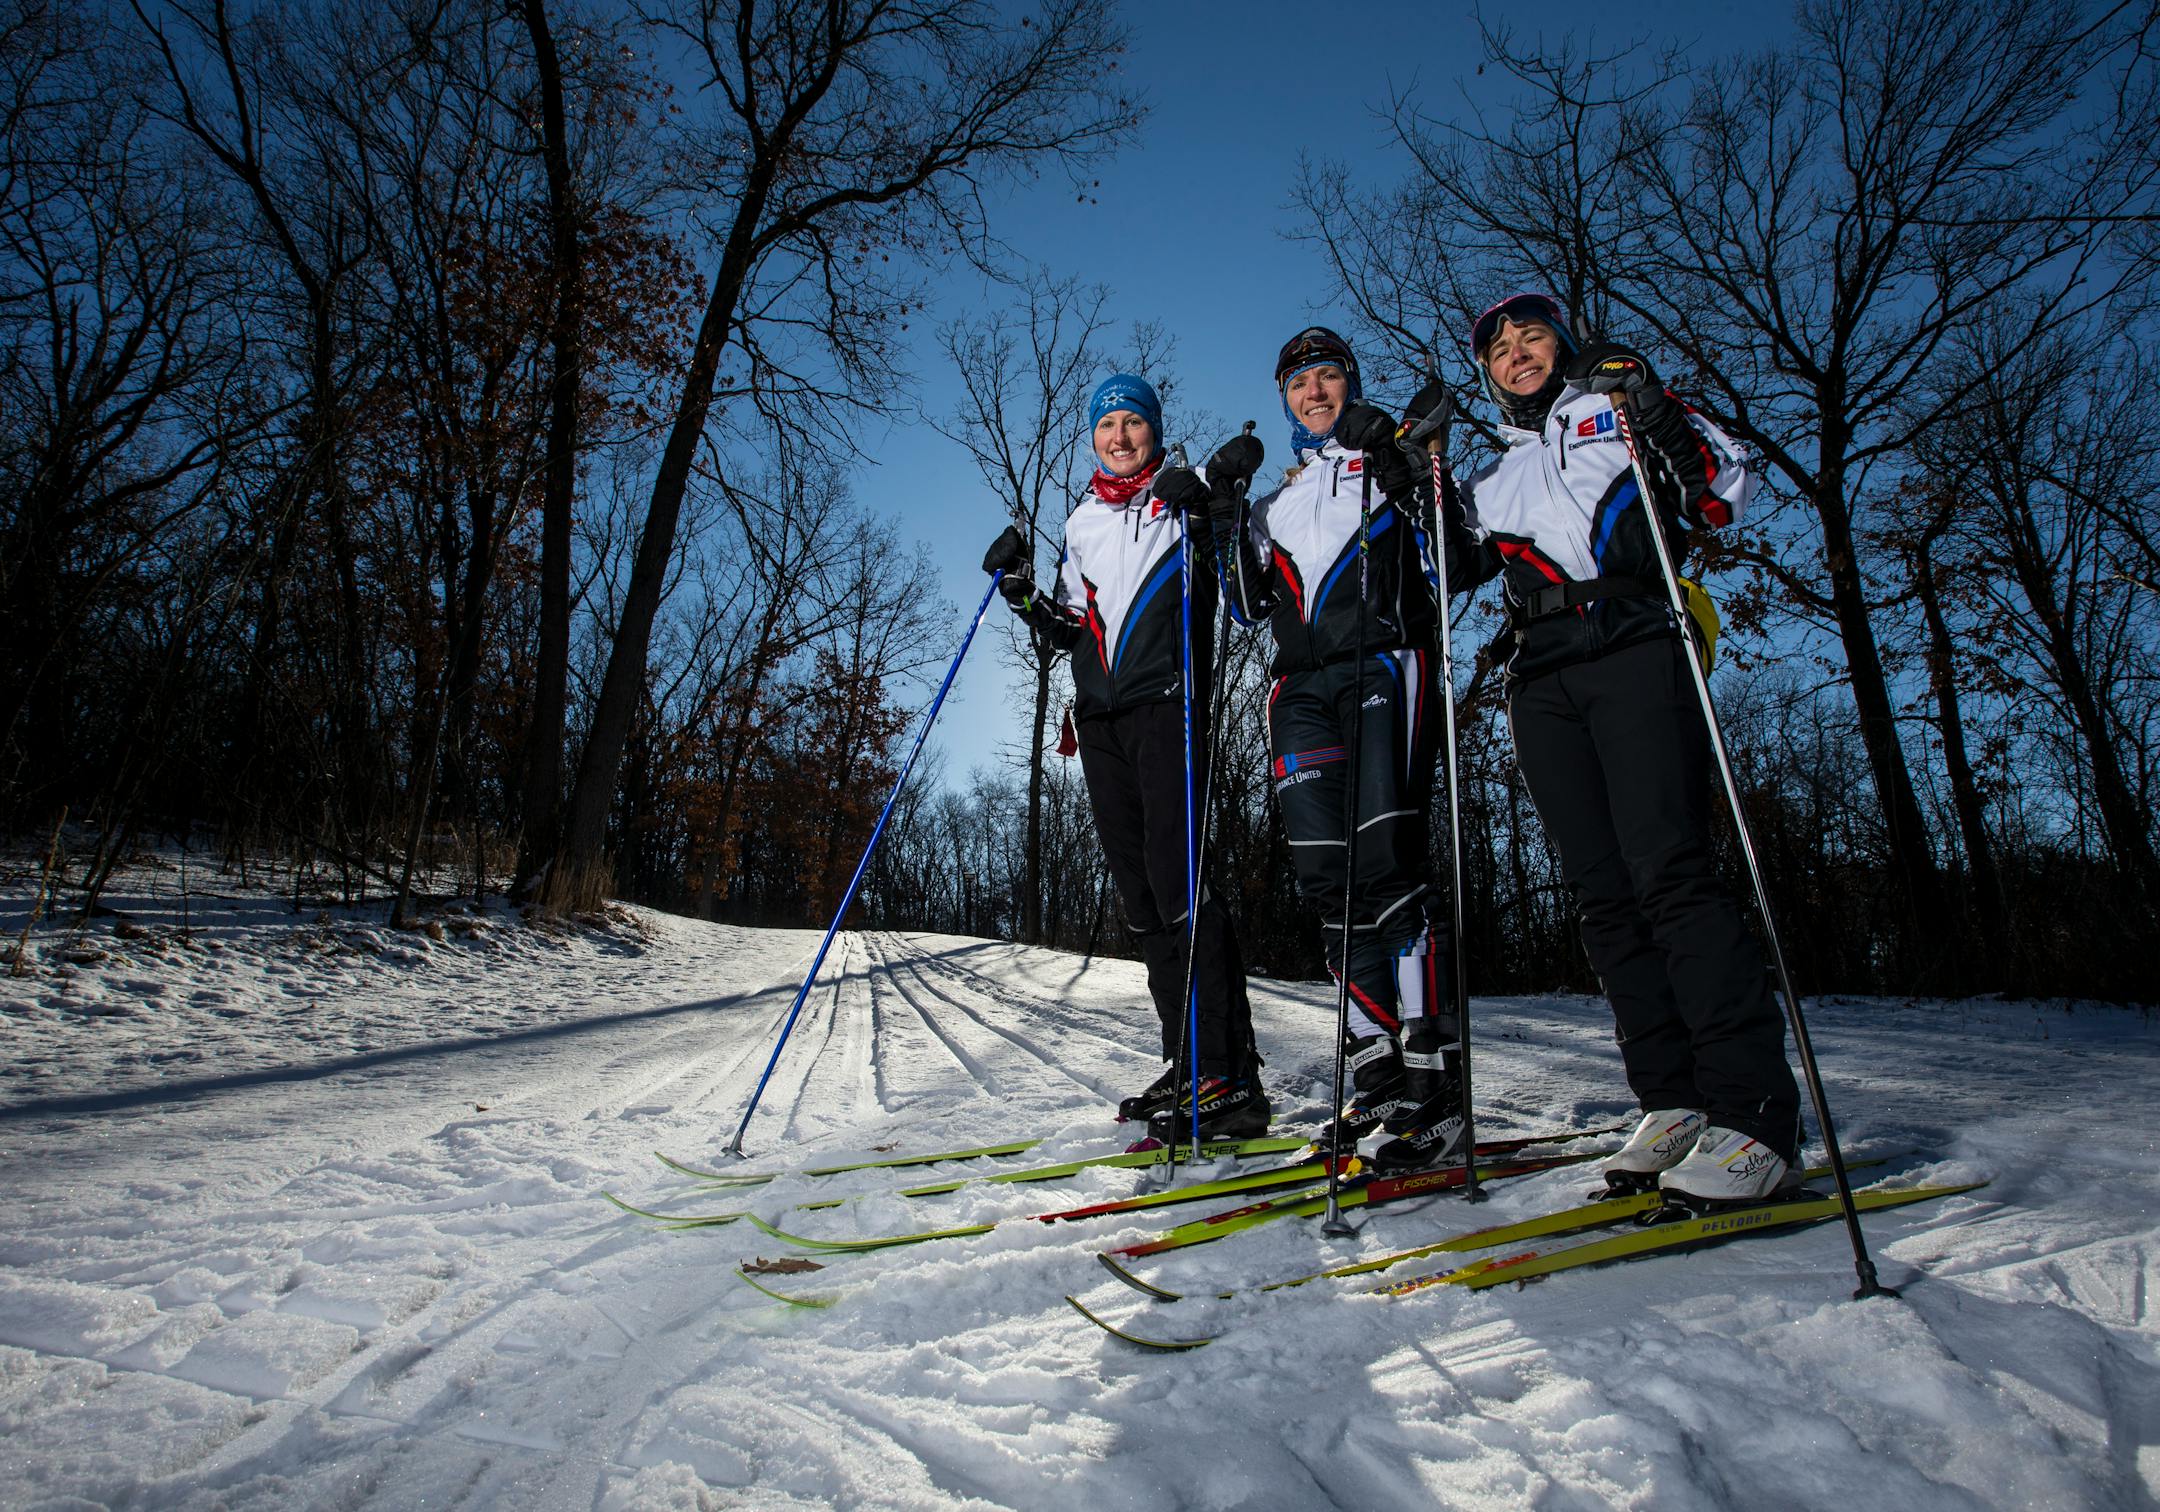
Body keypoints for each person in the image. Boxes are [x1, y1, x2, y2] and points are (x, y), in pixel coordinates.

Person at [1448, 291, 1802, 1204]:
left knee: (1671, 873)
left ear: (1561, 343)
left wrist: (1648, 405)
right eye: (1499, 347)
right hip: (1543, 670)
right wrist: (1418, 479)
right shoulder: (1495, 477)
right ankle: (1674, 1099)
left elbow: (1722, 489)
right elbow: (1443, 574)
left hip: (1639, 638)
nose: (1517, 352)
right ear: (1487, 371)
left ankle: (1754, 1113)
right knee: (1603, 898)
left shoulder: (1619, 407)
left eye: (1532, 336)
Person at [1162, 328, 1469, 1174]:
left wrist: (1409, 461)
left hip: (1383, 664)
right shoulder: (1278, 502)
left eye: (1329, 376)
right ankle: (1376, 1067)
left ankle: (1436, 1083)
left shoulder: (1386, 453)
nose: (1316, 391)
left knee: (1386, 867)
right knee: (1327, 884)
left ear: (1350, 385)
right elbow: (1244, 606)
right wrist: (1222, 510)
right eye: (1301, 382)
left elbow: (1455, 553)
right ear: (1286, 399)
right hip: (1298, 691)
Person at [981, 373, 1266, 1141]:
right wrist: (1020, 593)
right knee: (1141, 903)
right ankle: (1189, 1057)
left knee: (1182, 887)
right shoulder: (1080, 523)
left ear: (1153, 431)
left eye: (1131, 423)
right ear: (1093, 440)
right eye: (1107, 425)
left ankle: (1231, 1075)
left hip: (1166, 707)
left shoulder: (1182, 490)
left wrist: (1225, 484)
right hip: (1100, 721)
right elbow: (1075, 627)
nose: (1119, 436)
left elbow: (1233, 512)